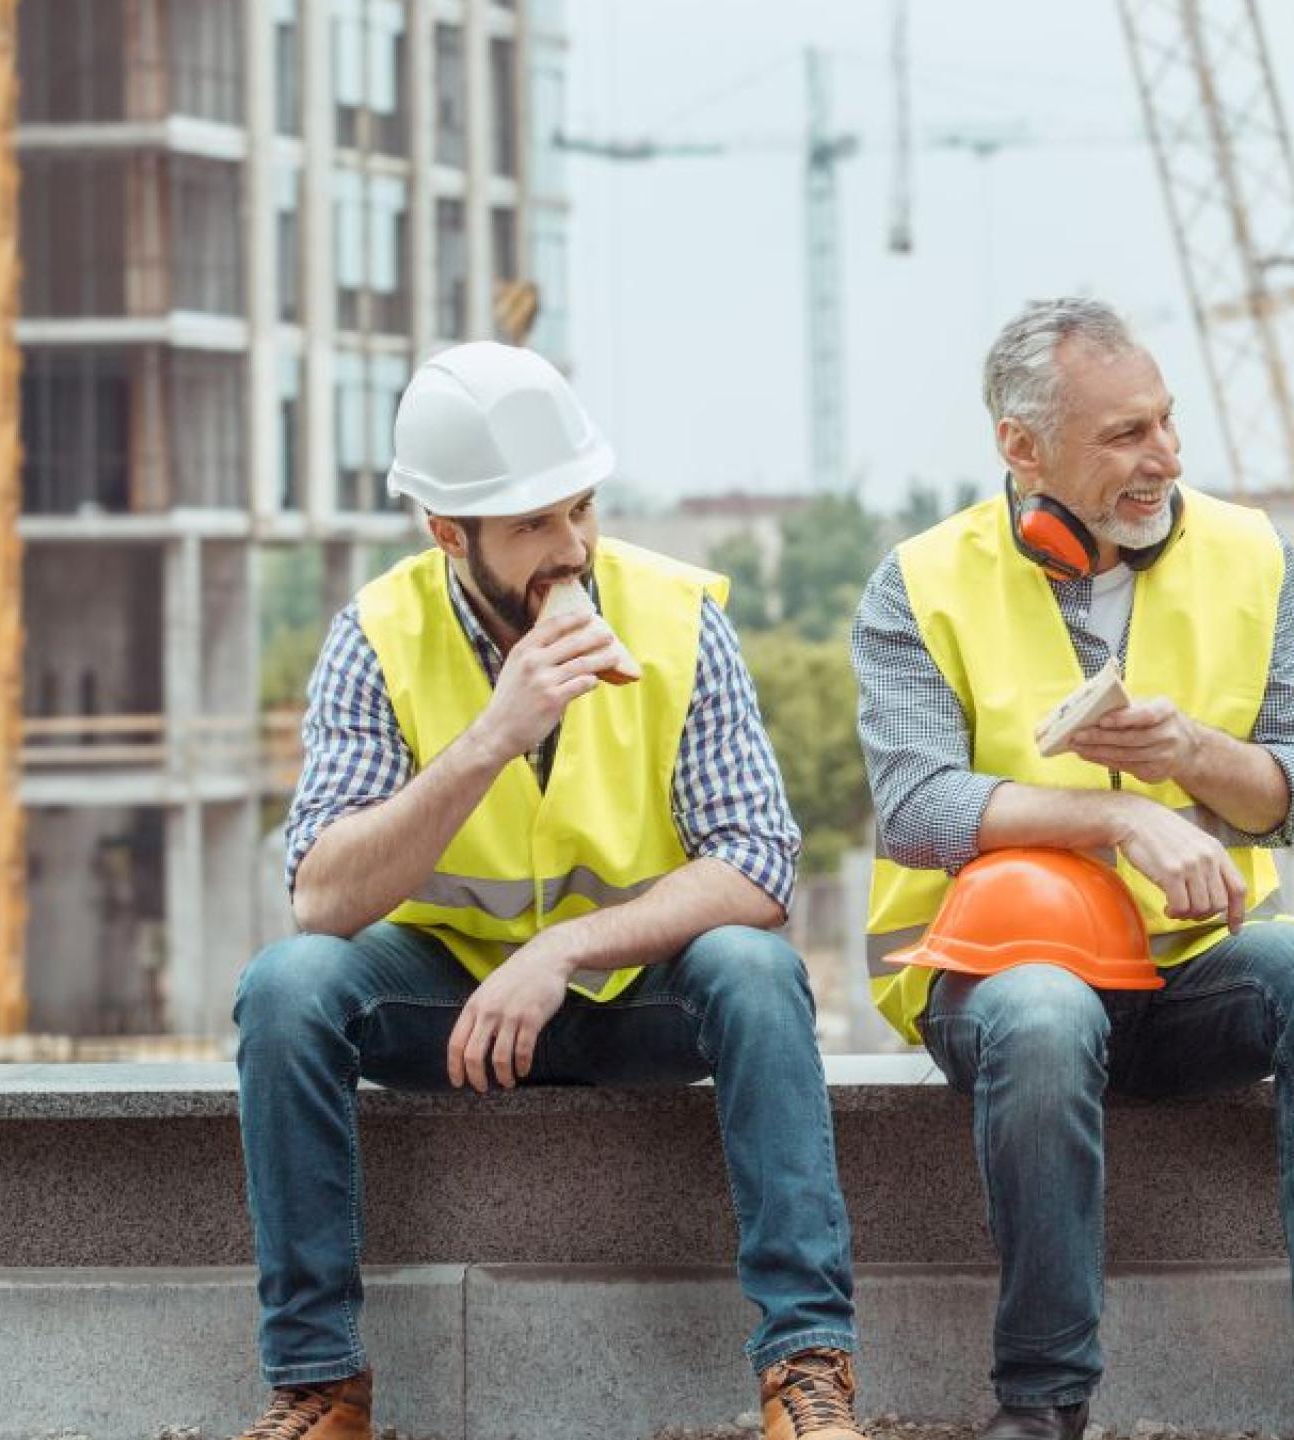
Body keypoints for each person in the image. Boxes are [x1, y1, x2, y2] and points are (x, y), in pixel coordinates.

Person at [231, 342, 862, 1440]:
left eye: (581, 508)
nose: (570, 547)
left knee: (757, 970)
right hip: (451, 1007)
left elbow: (757, 862)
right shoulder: (374, 637)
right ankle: (321, 1383)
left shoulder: (676, 617)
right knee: (287, 989)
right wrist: (490, 736)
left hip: (635, 996)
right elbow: (320, 899)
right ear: (446, 531)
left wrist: (565, 951)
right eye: (531, 524)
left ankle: (805, 1368)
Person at [850, 298, 1294, 1440]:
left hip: (1189, 969)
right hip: (993, 973)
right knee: (1042, 1014)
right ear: (1021, 448)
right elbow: (915, 809)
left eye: (1165, 422)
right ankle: (1043, 1402)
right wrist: (1115, 822)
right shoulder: (920, 583)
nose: (1162, 456)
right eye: (1124, 434)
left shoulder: (1252, 554)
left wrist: (1195, 759)